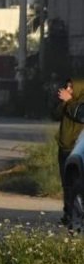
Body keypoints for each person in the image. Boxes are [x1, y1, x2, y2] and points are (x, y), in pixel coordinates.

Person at [53, 78, 84, 225]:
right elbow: (55, 115)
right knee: (67, 184)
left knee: (77, 183)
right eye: (67, 86)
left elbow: (80, 115)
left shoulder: (79, 102)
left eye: (72, 87)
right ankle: (69, 213)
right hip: (64, 146)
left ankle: (77, 215)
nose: (68, 89)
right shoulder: (69, 101)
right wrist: (63, 102)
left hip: (77, 147)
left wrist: (70, 101)